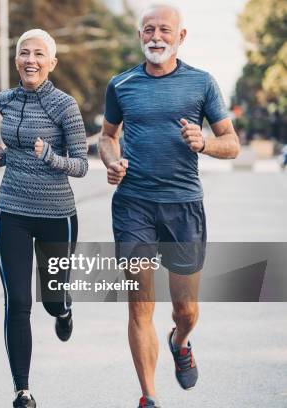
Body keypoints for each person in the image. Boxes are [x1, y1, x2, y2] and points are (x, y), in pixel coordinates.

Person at [99, 5, 240, 407]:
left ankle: (180, 341)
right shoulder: (121, 84)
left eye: (164, 30)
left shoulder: (202, 83)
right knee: (140, 305)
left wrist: (205, 143)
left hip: (183, 207)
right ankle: (149, 397)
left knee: (186, 309)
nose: (155, 36)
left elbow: (231, 143)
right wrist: (112, 161)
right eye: (148, 30)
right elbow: (107, 136)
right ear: (140, 35)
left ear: (180, 37)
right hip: (133, 206)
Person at [0, 29, 88, 408]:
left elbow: (80, 166)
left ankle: (63, 309)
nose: (31, 60)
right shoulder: (5, 101)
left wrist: (49, 156)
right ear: (16, 61)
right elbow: (15, 150)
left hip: (56, 215)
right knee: (17, 302)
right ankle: (22, 391)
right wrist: (2, 157)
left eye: (39, 54)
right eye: (24, 53)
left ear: (52, 63)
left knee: (50, 299)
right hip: (11, 211)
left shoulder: (65, 106)